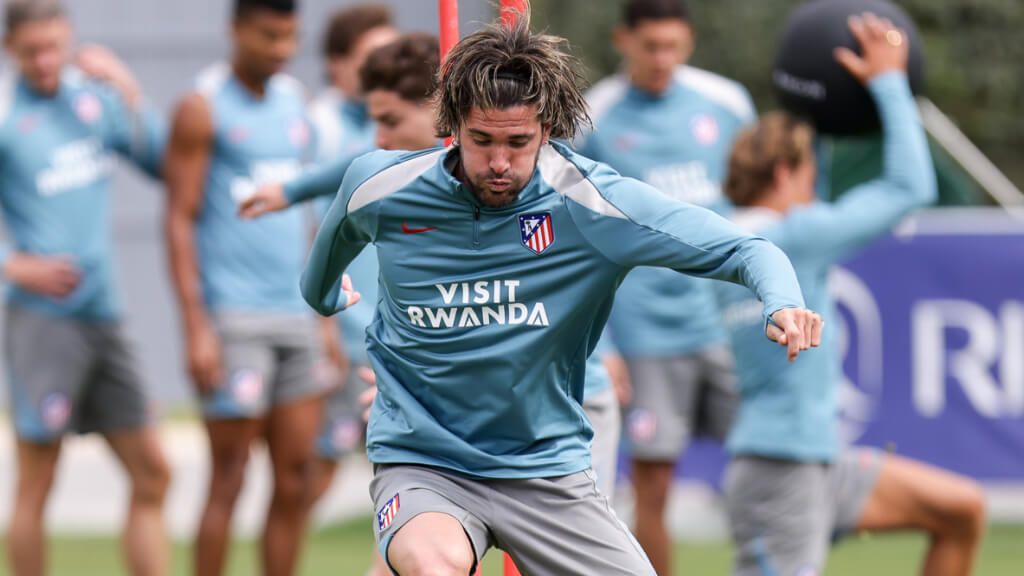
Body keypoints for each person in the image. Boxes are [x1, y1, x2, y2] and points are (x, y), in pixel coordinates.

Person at [302, 15, 822, 576]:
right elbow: (320, 274)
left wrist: (782, 300)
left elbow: (746, 248)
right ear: (450, 124)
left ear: (546, 130)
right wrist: (330, 299)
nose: (499, 163)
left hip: (545, 469)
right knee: (434, 567)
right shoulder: (379, 186)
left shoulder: (592, 202)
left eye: (518, 142)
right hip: (426, 461)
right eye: (482, 141)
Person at [714, 14, 986, 576]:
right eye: (812, 173)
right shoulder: (794, 235)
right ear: (788, 171)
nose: (817, 189)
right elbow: (911, 186)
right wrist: (889, 81)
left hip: (815, 459)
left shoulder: (723, 234)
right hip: (780, 470)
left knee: (960, 510)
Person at [242, 32, 439, 576]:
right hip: (388, 358)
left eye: (391, 121)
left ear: (440, 109)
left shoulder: (489, 169)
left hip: (466, 382)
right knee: (354, 484)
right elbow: (355, 167)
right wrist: (291, 190)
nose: (379, 136)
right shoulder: (391, 168)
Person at [575, 2, 755, 569]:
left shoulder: (727, 104)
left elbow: (759, 199)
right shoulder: (592, 115)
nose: (662, 59)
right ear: (622, 40)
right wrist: (604, 342)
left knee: (767, 463)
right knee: (654, 487)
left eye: (673, 46)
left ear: (690, 42)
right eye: (650, 46)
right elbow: (576, 236)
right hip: (645, 331)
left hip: (728, 322)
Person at [0, 1, 170, 575]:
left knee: (153, 470)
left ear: (68, 40)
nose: (45, 62)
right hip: (42, 322)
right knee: (39, 478)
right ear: (10, 51)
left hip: (104, 313)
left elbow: (165, 161)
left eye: (53, 48)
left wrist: (128, 88)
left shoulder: (92, 99)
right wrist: (14, 264)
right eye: (31, 53)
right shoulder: (4, 111)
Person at [163, 1, 325, 574]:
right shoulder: (201, 107)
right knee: (229, 477)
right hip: (233, 319)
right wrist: (196, 328)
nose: (281, 49)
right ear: (236, 30)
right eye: (268, 36)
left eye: (289, 38)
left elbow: (307, 216)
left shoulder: (297, 105)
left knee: (296, 477)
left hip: (297, 318)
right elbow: (179, 218)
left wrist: (324, 314)